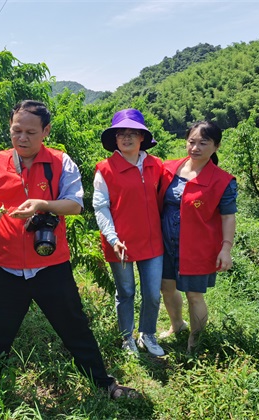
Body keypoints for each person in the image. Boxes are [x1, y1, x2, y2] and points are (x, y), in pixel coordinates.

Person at [0, 100, 138, 399]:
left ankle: (105, 384)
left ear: (46, 131)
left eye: (31, 132)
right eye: (16, 130)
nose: (22, 138)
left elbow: (75, 204)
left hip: (50, 265)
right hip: (5, 266)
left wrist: (44, 205)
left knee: (75, 328)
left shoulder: (60, 162)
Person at [157, 121, 237, 353]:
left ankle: (196, 339)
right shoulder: (169, 169)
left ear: (216, 146)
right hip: (166, 244)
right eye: (192, 141)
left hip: (198, 247)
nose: (195, 147)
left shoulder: (222, 181)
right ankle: (177, 325)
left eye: (204, 143)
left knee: (194, 295)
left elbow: (228, 217)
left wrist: (226, 248)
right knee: (167, 287)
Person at [93, 109, 165, 357]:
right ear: (114, 139)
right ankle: (127, 338)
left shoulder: (156, 165)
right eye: (121, 134)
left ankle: (148, 334)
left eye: (132, 133)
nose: (126, 138)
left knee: (153, 294)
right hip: (119, 243)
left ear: (142, 137)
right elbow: (100, 206)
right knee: (126, 293)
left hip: (152, 241)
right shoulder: (105, 168)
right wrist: (112, 238)